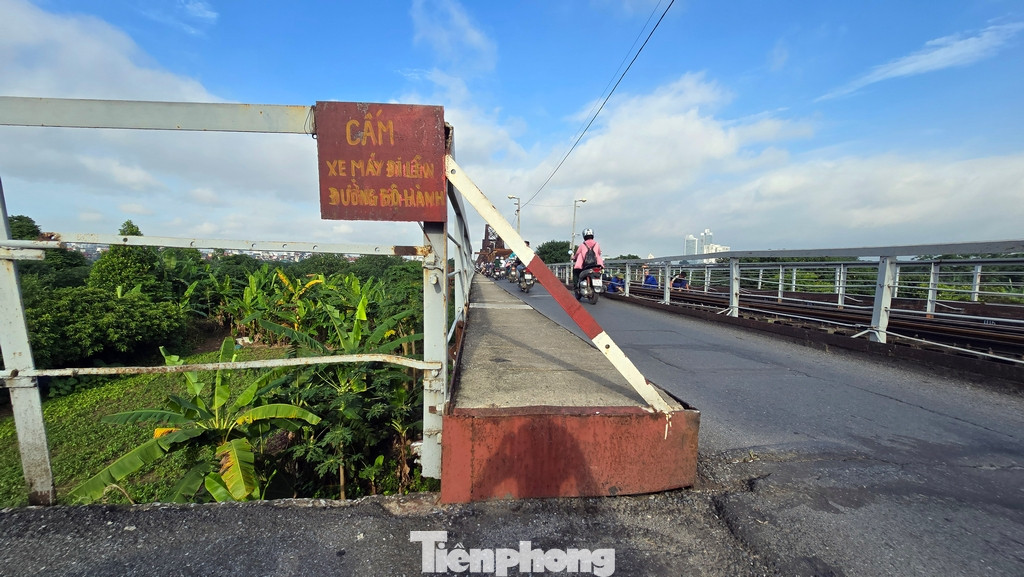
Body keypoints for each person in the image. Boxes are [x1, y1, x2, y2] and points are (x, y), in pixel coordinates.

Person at [572, 228, 604, 299]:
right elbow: (599, 253)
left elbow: (577, 254)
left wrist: (573, 258)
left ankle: (576, 287)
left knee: (575, 272)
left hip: (586, 265)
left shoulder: (582, 245)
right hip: (596, 265)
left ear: (584, 236)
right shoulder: (597, 244)